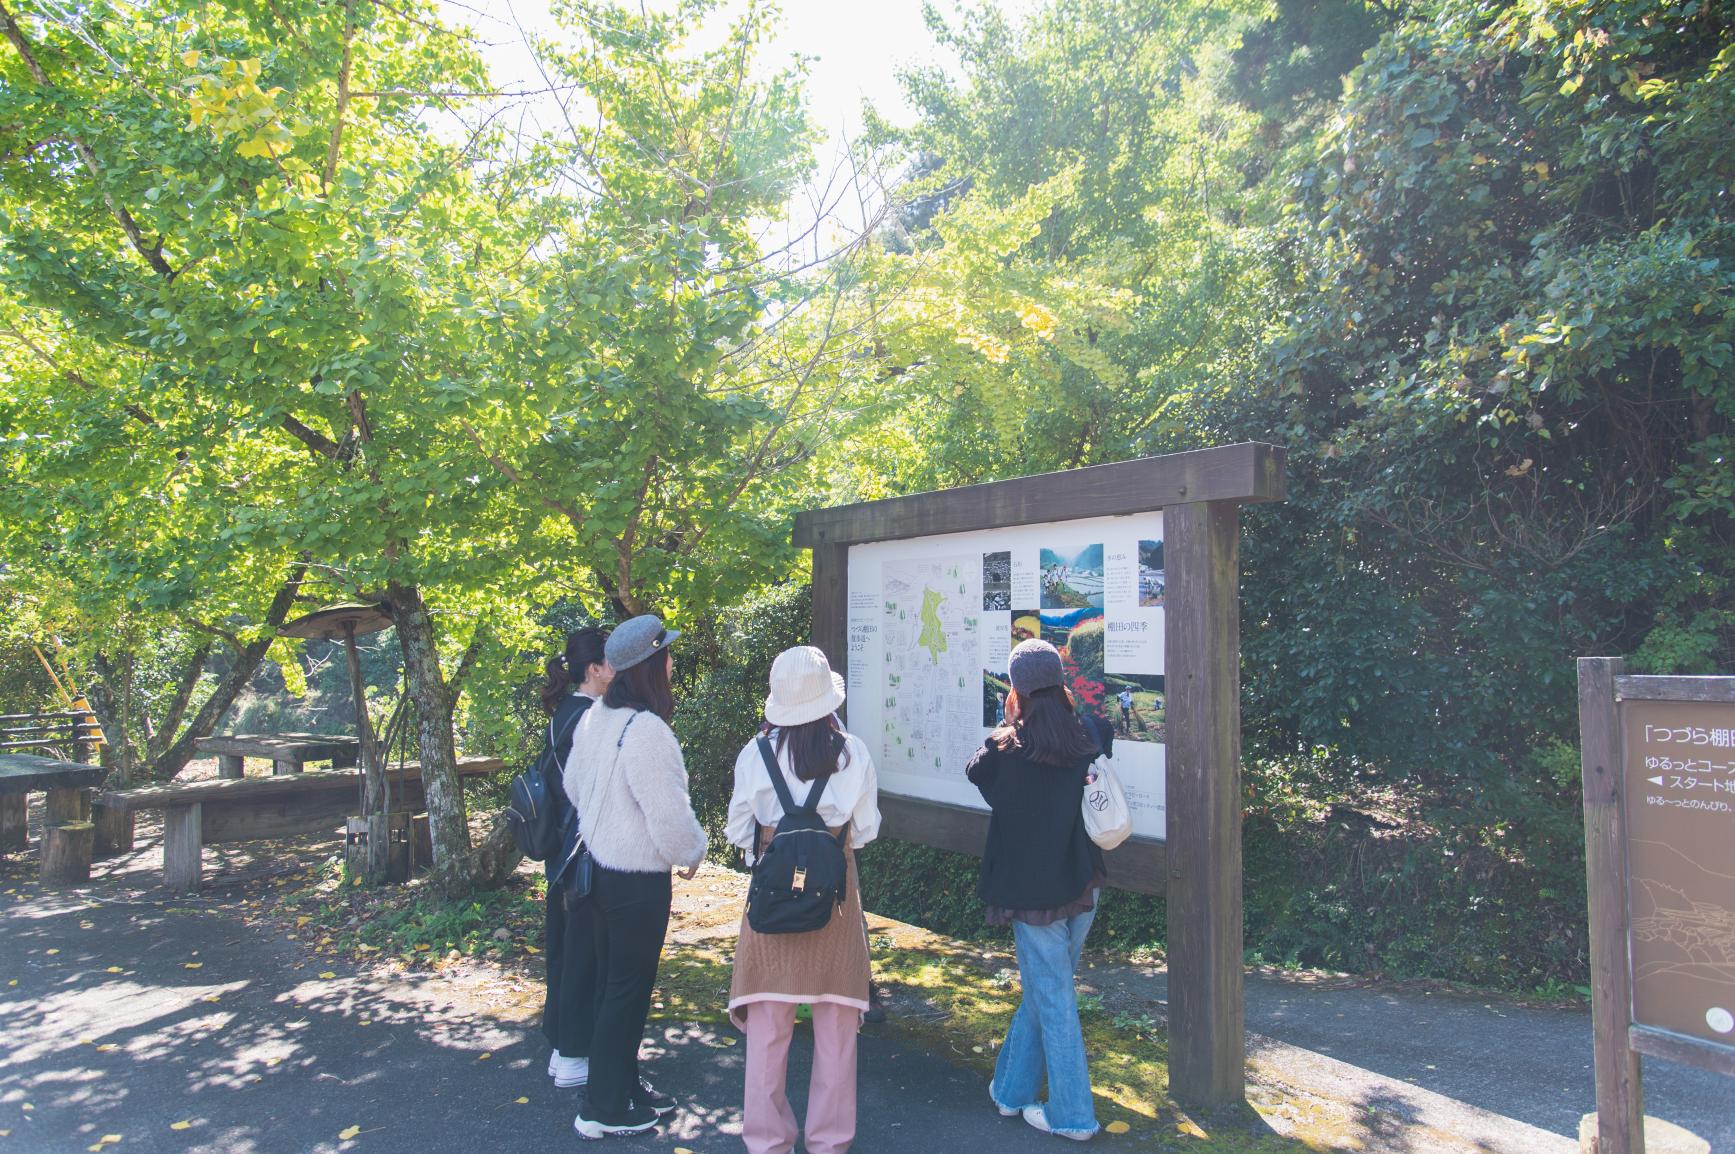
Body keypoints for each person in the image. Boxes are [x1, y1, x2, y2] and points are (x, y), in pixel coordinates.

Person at [726, 645, 880, 1154]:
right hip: (834, 895)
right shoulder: (852, 751)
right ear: (827, 701)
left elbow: (737, 832)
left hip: (772, 896)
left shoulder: (756, 753)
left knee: (768, 1029)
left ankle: (767, 1141)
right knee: (836, 1026)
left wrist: (772, 852)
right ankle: (829, 1142)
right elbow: (868, 830)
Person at [563, 615, 707, 1139]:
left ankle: (619, 1084)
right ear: (649, 666)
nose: (671, 662)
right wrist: (691, 850)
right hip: (636, 881)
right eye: (665, 654)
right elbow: (668, 813)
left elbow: (575, 788)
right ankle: (603, 1107)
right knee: (627, 990)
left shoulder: (597, 716)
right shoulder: (647, 731)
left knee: (611, 986)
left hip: (598, 870)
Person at [967, 638, 1106, 1141]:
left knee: (1054, 999)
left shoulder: (1002, 750)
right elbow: (1092, 739)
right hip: (1082, 884)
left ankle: (1072, 1116)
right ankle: (1011, 1091)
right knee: (1048, 993)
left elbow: (976, 772)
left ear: (1016, 690)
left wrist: (1009, 723)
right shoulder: (1090, 733)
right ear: (1061, 681)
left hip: (1033, 897)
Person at [540, 627, 611, 1091]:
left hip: (560, 849)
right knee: (585, 952)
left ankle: (560, 1044)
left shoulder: (562, 712)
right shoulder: (591, 718)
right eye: (612, 662)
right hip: (584, 849)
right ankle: (573, 1052)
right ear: (594, 670)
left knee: (565, 949)